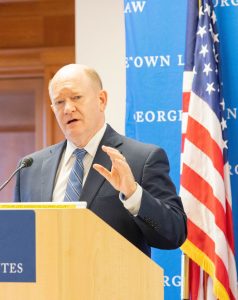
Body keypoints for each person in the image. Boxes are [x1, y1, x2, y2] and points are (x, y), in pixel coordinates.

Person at [14, 63, 187, 256]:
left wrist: (133, 194)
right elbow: (19, 244)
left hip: (113, 284)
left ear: (102, 100)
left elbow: (174, 234)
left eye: (76, 97)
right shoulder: (30, 167)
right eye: (59, 102)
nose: (68, 108)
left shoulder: (141, 159)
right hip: (48, 284)